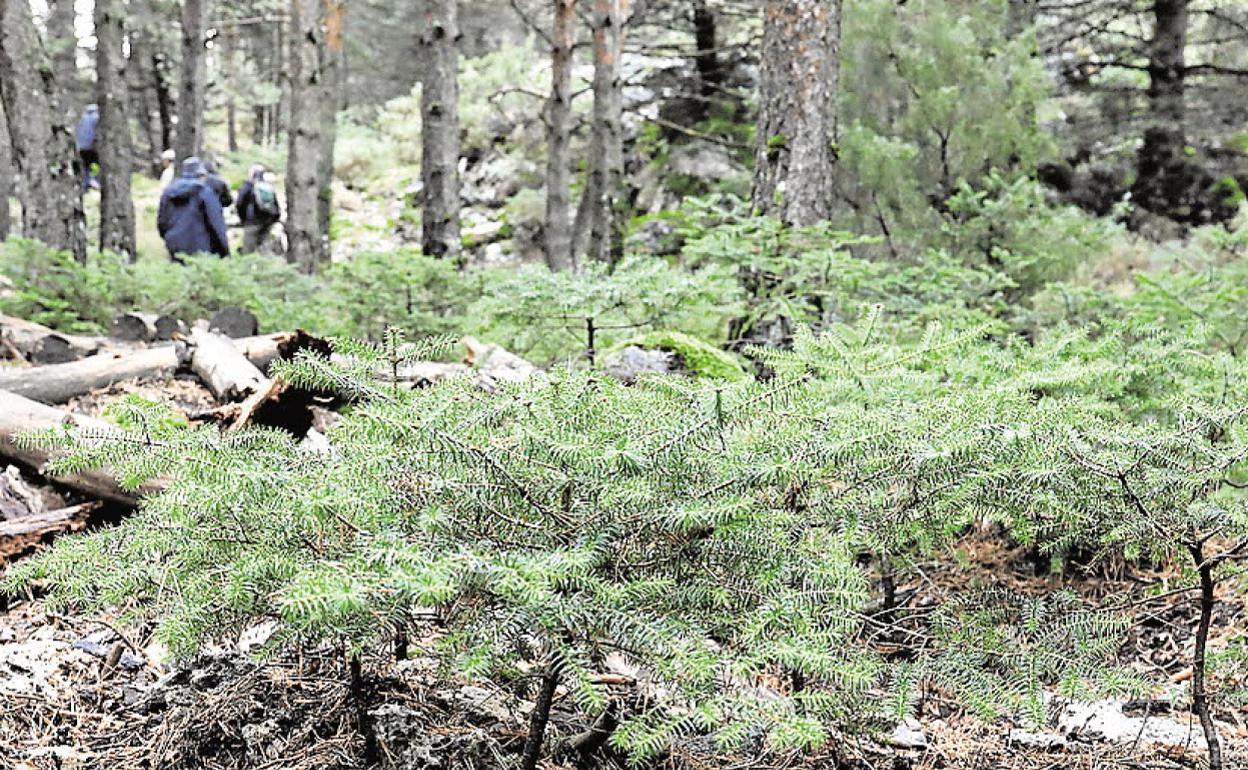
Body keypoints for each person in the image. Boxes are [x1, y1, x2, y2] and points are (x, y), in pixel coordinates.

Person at [157, 157, 230, 260]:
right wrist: (225, 250)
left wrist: (169, 238)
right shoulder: (205, 192)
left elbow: (161, 222)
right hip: (202, 247)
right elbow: (215, 222)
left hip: (175, 246)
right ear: (201, 175)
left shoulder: (168, 192)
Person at [235, 164, 282, 254]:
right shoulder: (267, 187)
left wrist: (243, 219)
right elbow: (275, 204)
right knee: (265, 247)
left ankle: (247, 266)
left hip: (251, 222)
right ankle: (267, 266)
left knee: (248, 249)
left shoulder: (247, 186)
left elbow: (240, 203)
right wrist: (273, 218)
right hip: (267, 222)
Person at [75, 105, 100, 191]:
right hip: (91, 146)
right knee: (96, 164)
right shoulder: (97, 117)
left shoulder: (82, 118)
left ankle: (85, 184)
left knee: (85, 166)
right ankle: (94, 180)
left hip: (81, 147)